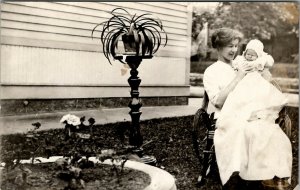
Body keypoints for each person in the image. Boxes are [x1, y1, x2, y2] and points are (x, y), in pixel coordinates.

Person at [203, 28, 292, 189]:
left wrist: (264, 74)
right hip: (225, 115)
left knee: (270, 129)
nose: (233, 50)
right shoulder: (212, 71)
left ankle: (269, 175)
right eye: (229, 46)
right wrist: (238, 77)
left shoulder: (242, 62)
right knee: (248, 129)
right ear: (218, 47)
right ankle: (241, 175)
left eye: (236, 46)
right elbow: (217, 102)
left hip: (248, 111)